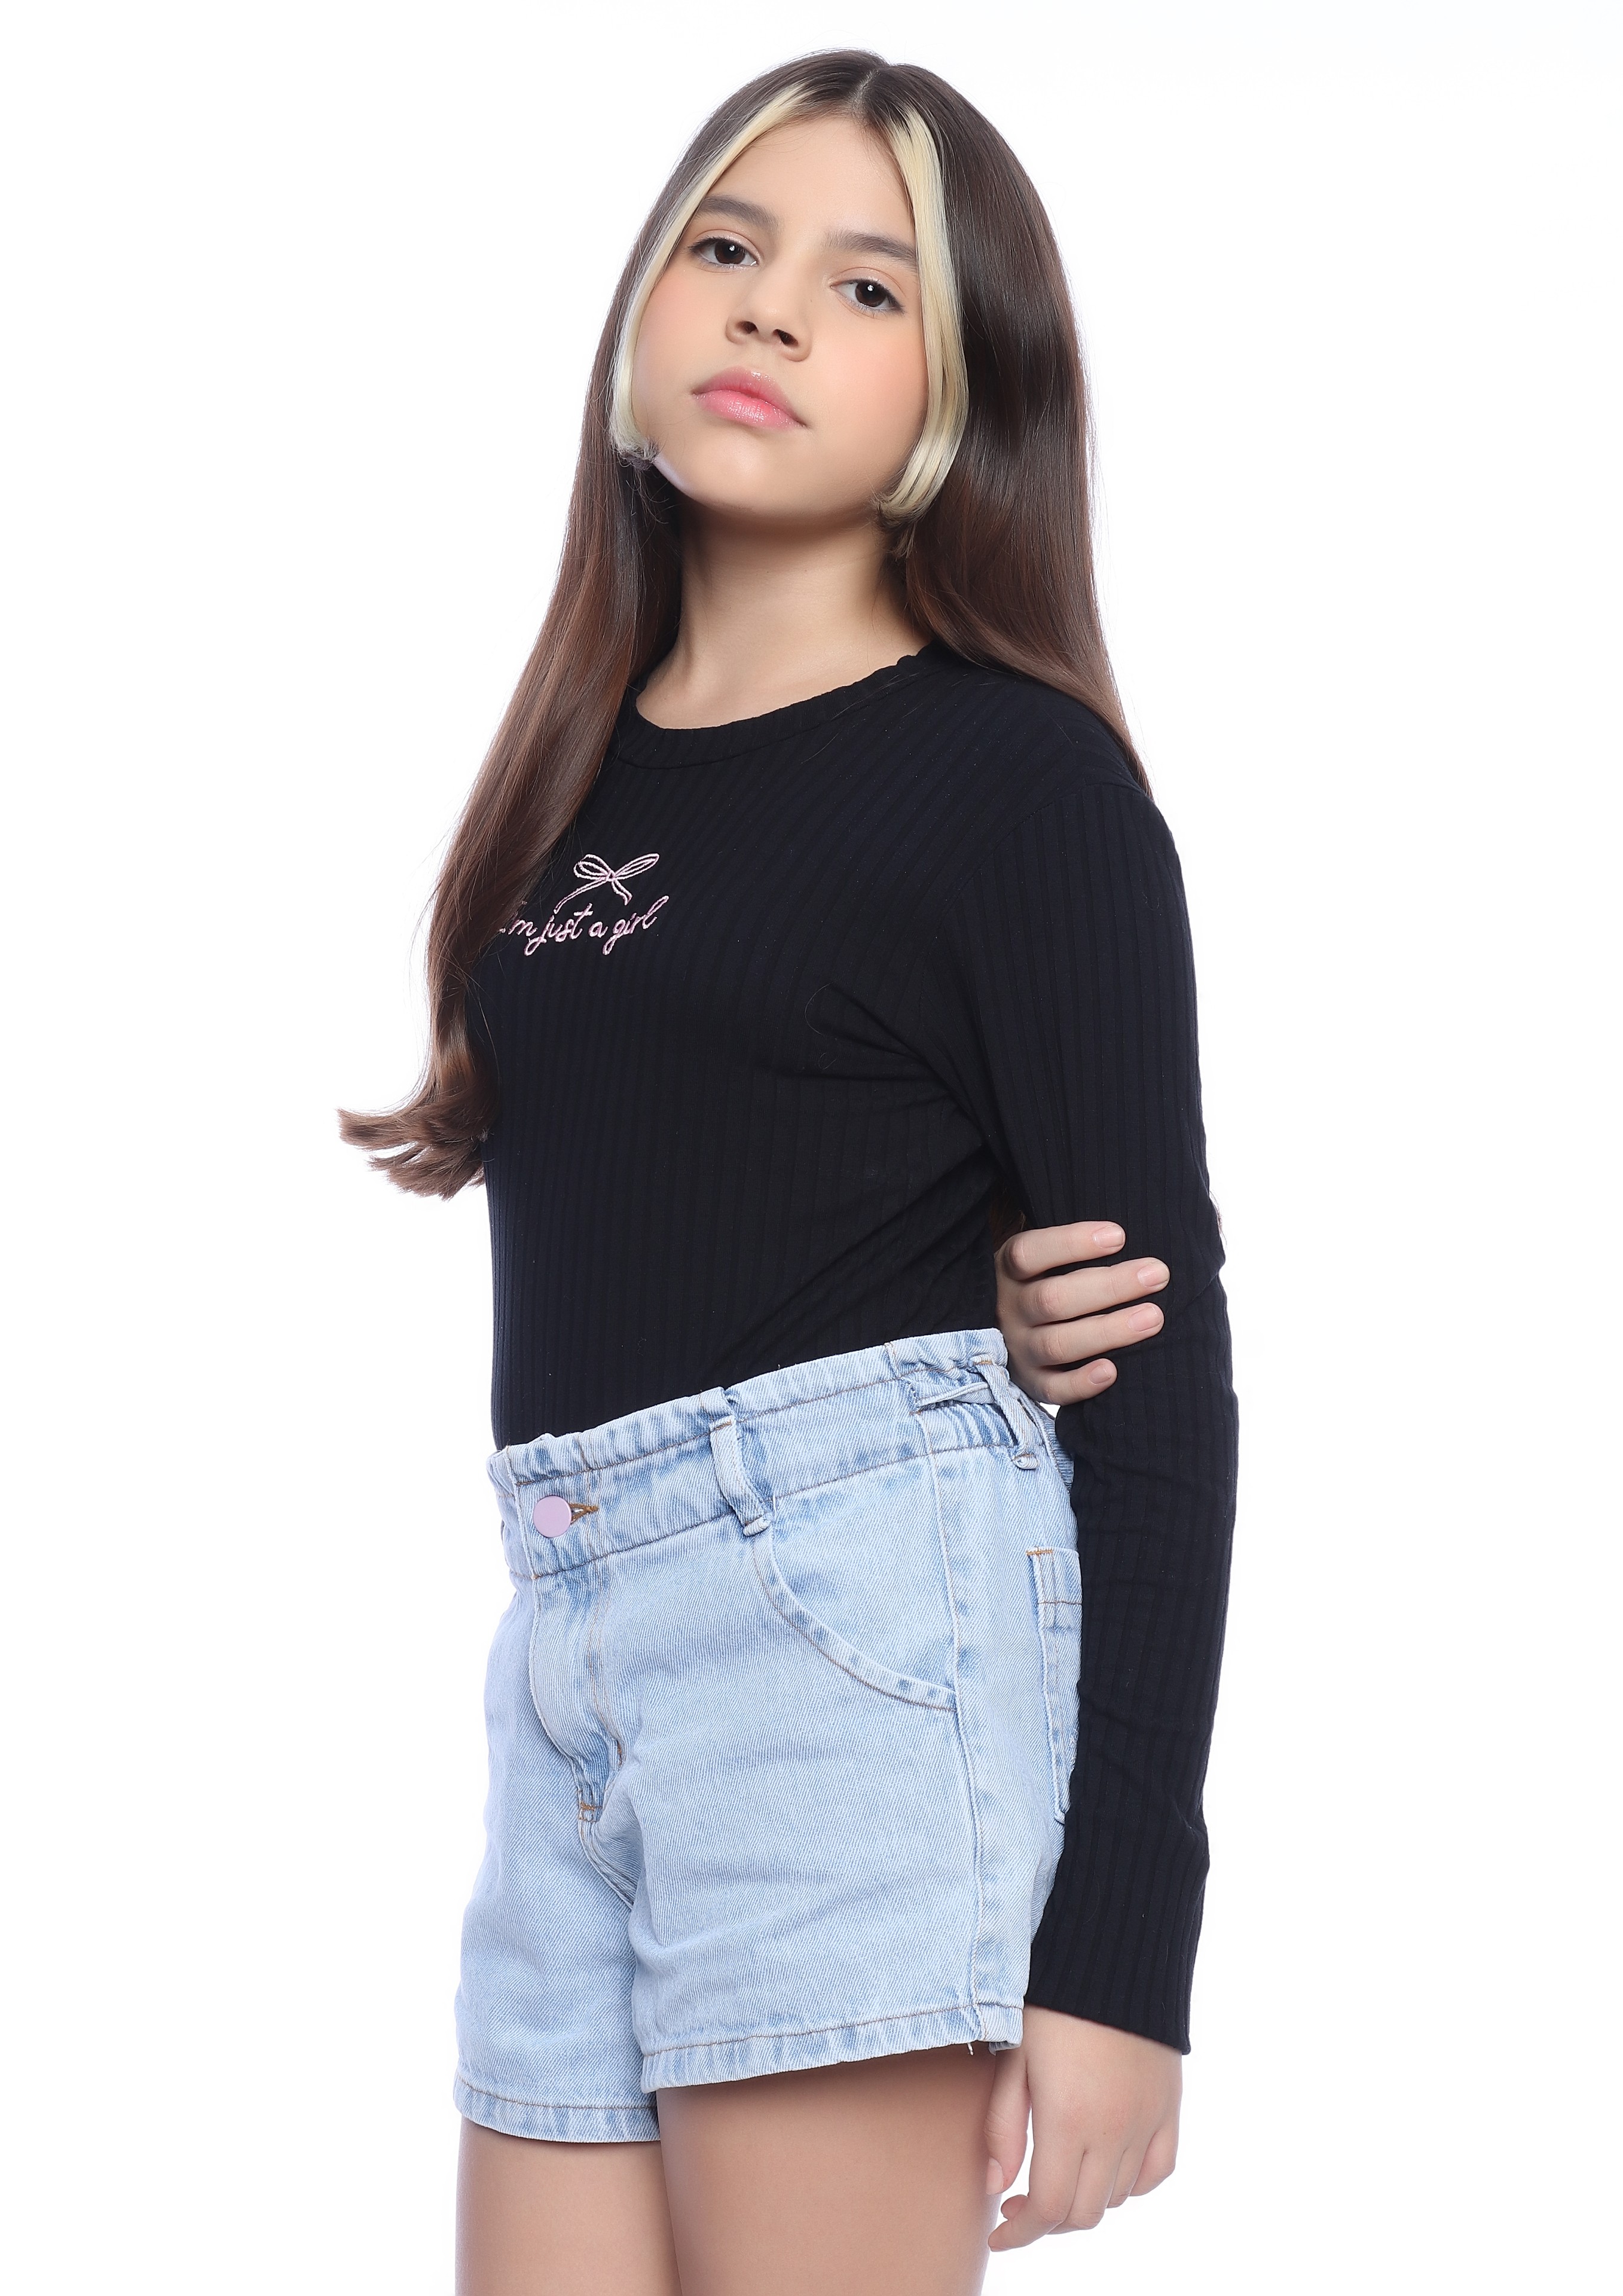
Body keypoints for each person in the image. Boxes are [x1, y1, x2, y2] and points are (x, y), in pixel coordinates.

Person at [343, 50, 1237, 2296]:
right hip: (570, 1654)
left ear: (966, 388)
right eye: (726, 248)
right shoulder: (571, 776)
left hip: (844, 1655)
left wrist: (1122, 1952)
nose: (766, 310)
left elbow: (1158, 1386)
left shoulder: (1020, 787)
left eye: (865, 286)